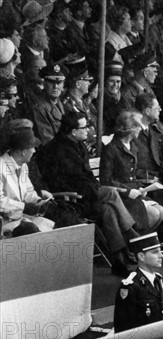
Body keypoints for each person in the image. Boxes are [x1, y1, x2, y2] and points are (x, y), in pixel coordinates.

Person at [40, 111, 141, 276]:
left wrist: (95, 188)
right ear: (73, 131)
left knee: (108, 209)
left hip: (89, 194)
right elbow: (72, 180)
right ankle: (131, 232)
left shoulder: (78, 144)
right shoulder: (58, 149)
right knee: (111, 194)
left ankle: (119, 259)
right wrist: (96, 188)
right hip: (73, 199)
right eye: (84, 127)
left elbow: (86, 177)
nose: (89, 129)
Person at [99, 110, 163, 235]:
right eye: (138, 127)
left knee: (161, 211)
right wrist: (129, 192)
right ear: (131, 128)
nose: (140, 130)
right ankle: (138, 242)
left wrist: (142, 188)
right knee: (155, 213)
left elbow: (133, 174)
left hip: (136, 193)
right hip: (122, 197)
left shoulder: (133, 146)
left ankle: (141, 241)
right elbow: (106, 180)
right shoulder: (111, 149)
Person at [113, 232, 163, 339]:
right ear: (141, 256)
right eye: (155, 252)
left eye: (160, 251)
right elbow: (123, 331)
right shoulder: (130, 287)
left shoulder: (157, 281)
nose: (161, 255)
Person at [0, 121, 54, 234]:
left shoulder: (23, 165)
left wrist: (38, 201)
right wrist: (23, 207)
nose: (34, 151)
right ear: (23, 152)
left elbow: (28, 191)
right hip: (5, 223)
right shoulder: (1, 167)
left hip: (20, 219)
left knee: (56, 223)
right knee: (34, 231)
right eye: (32, 148)